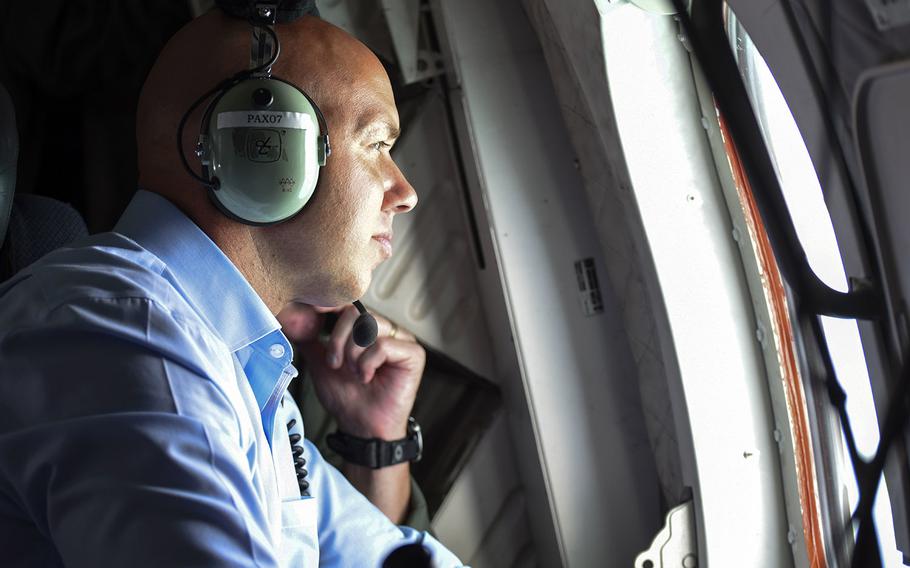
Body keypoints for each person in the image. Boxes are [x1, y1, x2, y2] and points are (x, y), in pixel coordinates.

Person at [0, 9, 462, 568]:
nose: (405, 192)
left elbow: (384, 555)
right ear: (261, 150)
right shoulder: (131, 342)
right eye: (375, 144)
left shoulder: (245, 373)